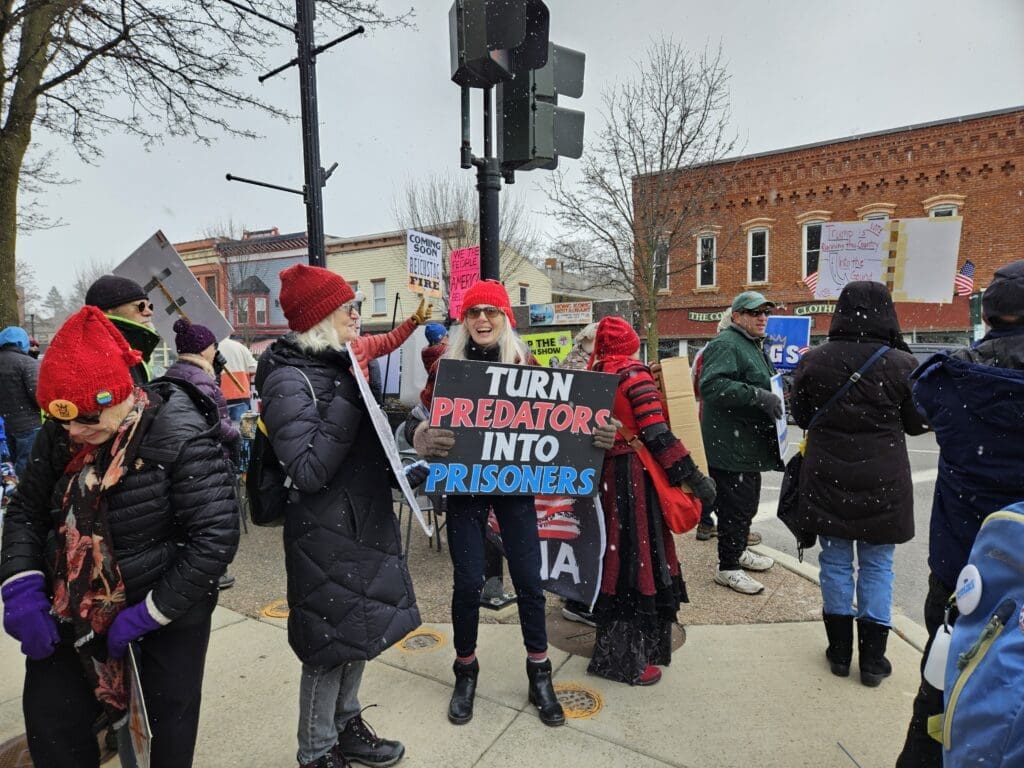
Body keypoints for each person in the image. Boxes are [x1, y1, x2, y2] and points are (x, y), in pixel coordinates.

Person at [0, 306, 238, 768]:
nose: (72, 432)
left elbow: (214, 537)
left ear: (120, 397)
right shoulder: (60, 434)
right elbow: (27, 510)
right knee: (53, 723)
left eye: (85, 419)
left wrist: (147, 615)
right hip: (73, 604)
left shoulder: (180, 434)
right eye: (59, 419)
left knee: (166, 727)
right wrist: (22, 585)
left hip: (164, 610)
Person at [412, 280, 614, 728]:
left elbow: (565, 419)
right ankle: (465, 671)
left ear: (506, 318)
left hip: (515, 488)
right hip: (466, 487)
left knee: (527, 580)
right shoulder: (448, 364)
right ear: (463, 321)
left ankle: (538, 672)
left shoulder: (526, 364)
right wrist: (421, 437)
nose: (482, 320)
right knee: (467, 584)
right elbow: (418, 419)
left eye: (492, 311)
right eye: (473, 313)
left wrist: (599, 435)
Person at [256, 263, 416, 768]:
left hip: (359, 525)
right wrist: (352, 393)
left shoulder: (336, 368)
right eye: (350, 306)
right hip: (325, 536)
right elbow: (307, 470)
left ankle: (346, 726)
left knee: (357, 637)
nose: (358, 314)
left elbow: (368, 449)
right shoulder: (290, 379)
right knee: (328, 648)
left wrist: (412, 454)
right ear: (321, 317)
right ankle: (317, 752)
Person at [895, 259, 1024, 768]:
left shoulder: (950, 381)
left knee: (942, 696)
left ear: (987, 315)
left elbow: (917, 404)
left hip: (961, 574)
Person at [789, 282, 927, 687]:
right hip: (883, 477)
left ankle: (838, 651)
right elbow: (918, 424)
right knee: (878, 565)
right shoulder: (904, 364)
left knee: (833, 561)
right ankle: (872, 659)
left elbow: (801, 413)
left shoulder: (814, 360)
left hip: (828, 474)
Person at [586, 316, 716, 686]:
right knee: (639, 562)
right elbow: (657, 434)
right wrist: (695, 478)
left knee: (617, 562)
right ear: (630, 341)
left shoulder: (592, 376)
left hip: (605, 481)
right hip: (636, 481)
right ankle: (630, 660)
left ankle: (618, 651)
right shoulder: (633, 374)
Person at [698, 291, 783, 595]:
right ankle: (728, 567)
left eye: (765, 312)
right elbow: (711, 385)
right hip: (730, 447)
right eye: (754, 312)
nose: (762, 317)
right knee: (736, 508)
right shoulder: (726, 344)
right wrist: (758, 396)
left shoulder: (749, 344)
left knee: (746, 505)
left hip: (745, 445)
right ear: (736, 316)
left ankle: (738, 553)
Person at [165, 319, 243, 591]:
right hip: (209, 457)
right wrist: (234, 435)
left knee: (192, 518)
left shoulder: (176, 372)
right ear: (203, 349)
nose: (215, 350)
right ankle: (214, 571)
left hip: (187, 459)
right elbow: (212, 420)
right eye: (214, 346)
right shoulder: (199, 379)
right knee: (213, 520)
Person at [691, 313, 767, 546]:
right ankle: (733, 542)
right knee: (729, 489)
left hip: (714, 423)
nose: (762, 318)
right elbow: (706, 386)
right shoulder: (723, 349)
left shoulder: (708, 351)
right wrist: (755, 394)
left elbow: (694, 384)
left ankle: (711, 525)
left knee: (715, 481)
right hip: (724, 427)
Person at [556, 321, 600, 626]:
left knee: (575, 530)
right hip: (576, 460)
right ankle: (576, 596)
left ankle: (571, 589)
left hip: (575, 460)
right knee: (580, 529)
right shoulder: (582, 368)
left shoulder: (582, 363)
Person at [85, 275, 161, 384]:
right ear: (109, 309)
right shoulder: (102, 352)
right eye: (141, 306)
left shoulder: (128, 347)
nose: (149, 312)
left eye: (150, 306)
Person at [0, 326, 41, 477]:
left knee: (8, 461)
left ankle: (8, 490)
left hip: (4, 426)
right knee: (26, 462)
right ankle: (22, 493)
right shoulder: (27, 363)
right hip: (28, 424)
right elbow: (37, 395)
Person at [216, 336, 258, 422]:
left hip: (218, 396)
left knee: (222, 431)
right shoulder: (240, 347)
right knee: (241, 429)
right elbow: (253, 368)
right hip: (240, 394)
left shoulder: (210, 348)